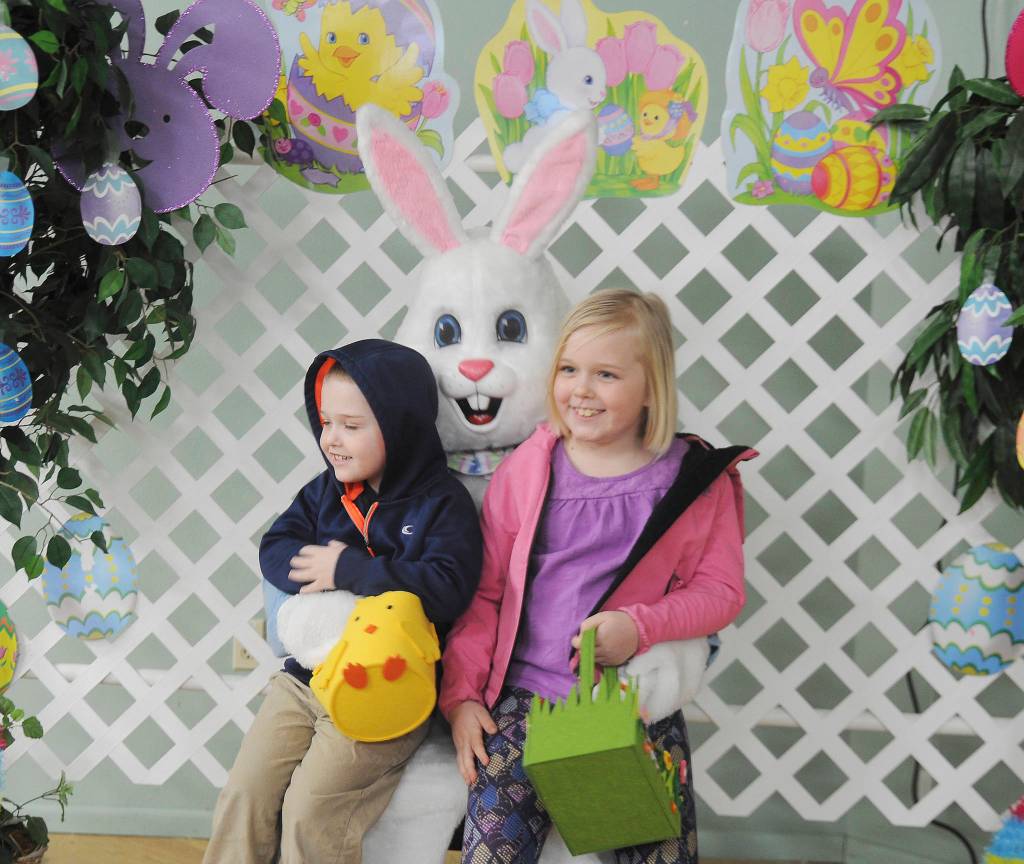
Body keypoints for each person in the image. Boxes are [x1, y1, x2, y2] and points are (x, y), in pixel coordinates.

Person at [440, 289, 757, 864]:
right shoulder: (529, 469)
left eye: (605, 373)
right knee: (491, 853)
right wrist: (461, 697)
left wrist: (638, 628)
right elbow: (485, 594)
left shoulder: (694, 483)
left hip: (628, 705)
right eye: (568, 369)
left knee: (658, 850)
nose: (580, 390)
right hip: (520, 704)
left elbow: (720, 592)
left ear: (651, 388)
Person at [204, 339, 482, 864]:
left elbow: (447, 587)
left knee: (312, 810)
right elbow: (276, 548)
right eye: (326, 422)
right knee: (245, 792)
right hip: (303, 682)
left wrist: (347, 570)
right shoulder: (324, 492)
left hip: (385, 687)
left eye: (351, 426)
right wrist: (322, 584)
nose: (331, 439)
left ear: (399, 427)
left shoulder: (443, 505)